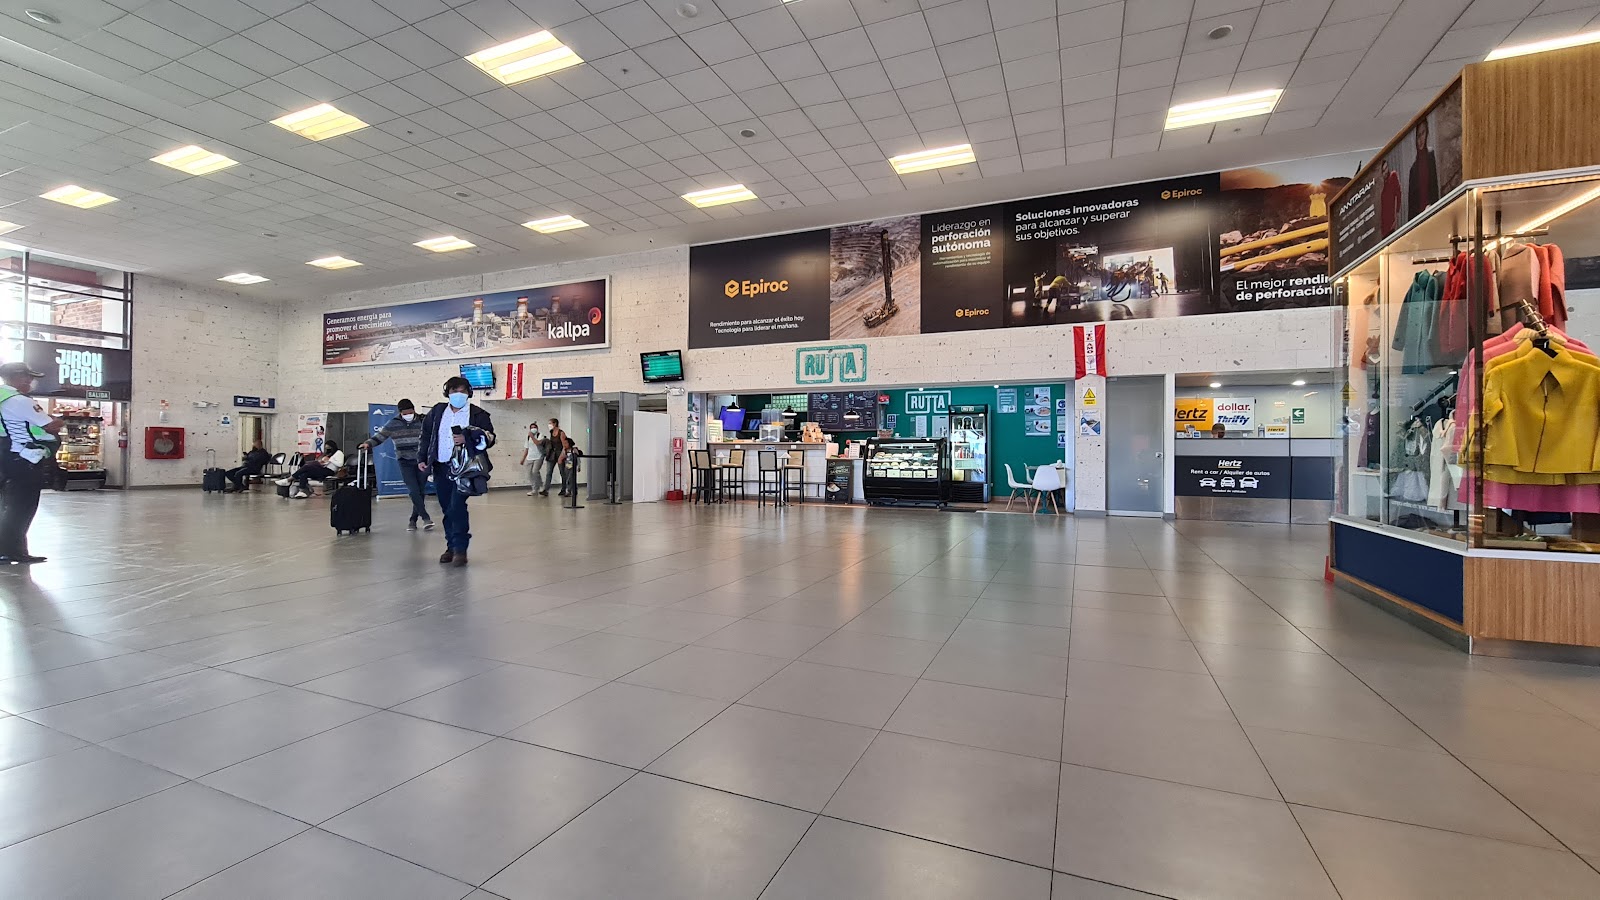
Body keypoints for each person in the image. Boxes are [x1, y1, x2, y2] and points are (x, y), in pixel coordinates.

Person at [420, 375, 495, 566]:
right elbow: (427, 436)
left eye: (462, 391)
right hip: (440, 466)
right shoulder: (437, 411)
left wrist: (467, 439)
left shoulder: (478, 414)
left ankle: (460, 549)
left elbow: (490, 439)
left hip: (465, 469)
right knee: (447, 508)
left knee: (456, 506)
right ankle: (451, 546)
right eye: (454, 391)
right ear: (447, 393)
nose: (458, 394)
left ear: (468, 392)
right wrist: (422, 458)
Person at [0, 362, 61, 564]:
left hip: (4, 455)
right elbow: (50, 425)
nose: (31, 381)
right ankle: (13, 550)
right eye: (29, 377)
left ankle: (9, 549)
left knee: (6, 505)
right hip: (23, 457)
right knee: (22, 506)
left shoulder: (2, 397)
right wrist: (57, 420)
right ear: (20, 377)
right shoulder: (20, 401)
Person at [361, 399, 433, 531]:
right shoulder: (393, 424)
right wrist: (368, 444)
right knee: (413, 490)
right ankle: (425, 517)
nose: (409, 415)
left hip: (422, 461)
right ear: (400, 413)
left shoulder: (423, 421)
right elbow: (380, 437)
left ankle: (413, 520)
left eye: (411, 412)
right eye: (406, 413)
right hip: (405, 461)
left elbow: (433, 436)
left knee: (421, 491)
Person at [278, 441, 343, 499]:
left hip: (330, 471)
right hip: (323, 468)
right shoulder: (329, 454)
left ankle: (289, 479)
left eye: (329, 447)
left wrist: (330, 460)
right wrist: (322, 461)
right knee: (304, 473)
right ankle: (302, 491)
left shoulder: (339, 453)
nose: (327, 449)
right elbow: (326, 462)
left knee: (307, 467)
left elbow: (340, 464)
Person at [1407, 117, 1439, 221]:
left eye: (1423, 133)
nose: (1420, 139)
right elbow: (1411, 207)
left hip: (1433, 214)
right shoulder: (1413, 170)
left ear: (1427, 134)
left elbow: (1435, 188)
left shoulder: (1432, 157)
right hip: (1419, 221)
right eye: (1418, 135)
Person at [519, 421, 548, 496]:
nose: (533, 429)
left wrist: (532, 436)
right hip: (530, 457)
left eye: (534, 427)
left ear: (537, 428)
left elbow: (537, 443)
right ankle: (534, 489)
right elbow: (527, 448)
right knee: (529, 473)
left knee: (535, 471)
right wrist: (523, 459)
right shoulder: (528, 437)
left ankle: (541, 486)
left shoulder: (540, 435)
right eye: (531, 428)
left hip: (539, 456)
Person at [539, 417, 565, 496]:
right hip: (552, 453)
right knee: (549, 472)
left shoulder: (561, 433)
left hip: (560, 452)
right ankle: (546, 489)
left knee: (562, 472)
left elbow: (564, 445)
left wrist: (561, 456)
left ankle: (564, 489)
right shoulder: (551, 432)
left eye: (550, 423)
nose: (549, 425)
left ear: (555, 424)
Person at [557, 431, 580, 498]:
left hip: (573, 466)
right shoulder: (565, 451)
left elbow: (578, 459)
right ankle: (572, 490)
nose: (564, 444)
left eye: (566, 443)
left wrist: (578, 466)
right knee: (568, 478)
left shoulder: (574, 450)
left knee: (571, 478)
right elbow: (561, 458)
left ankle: (569, 490)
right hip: (567, 466)